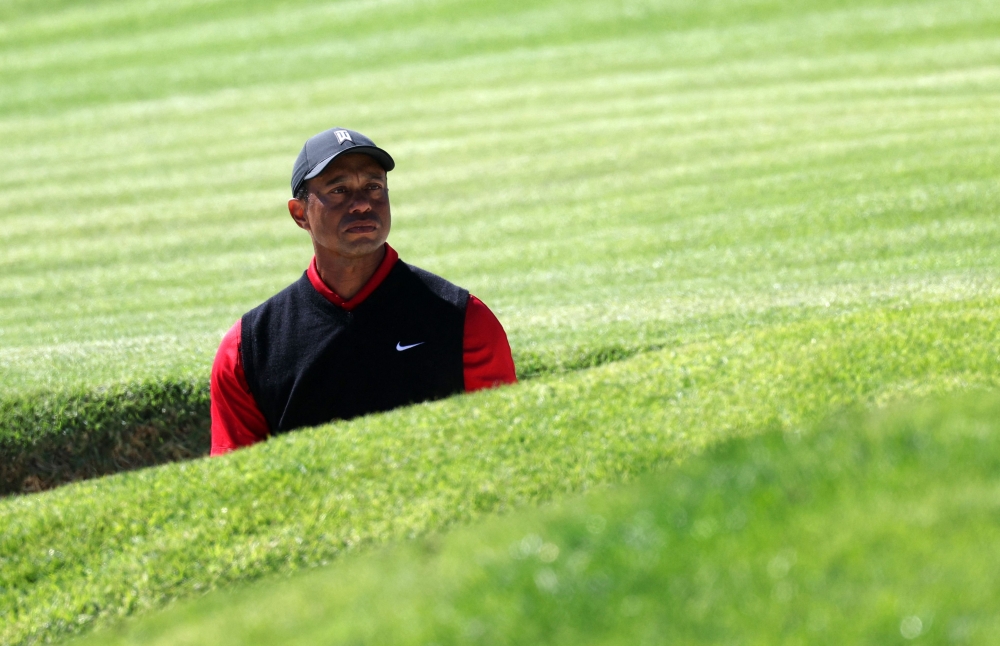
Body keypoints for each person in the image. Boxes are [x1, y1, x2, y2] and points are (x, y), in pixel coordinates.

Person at [209, 127, 517, 456]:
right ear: (300, 214)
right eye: (339, 190)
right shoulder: (248, 349)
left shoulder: (464, 320)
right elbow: (237, 482)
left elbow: (505, 451)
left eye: (373, 187)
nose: (361, 205)